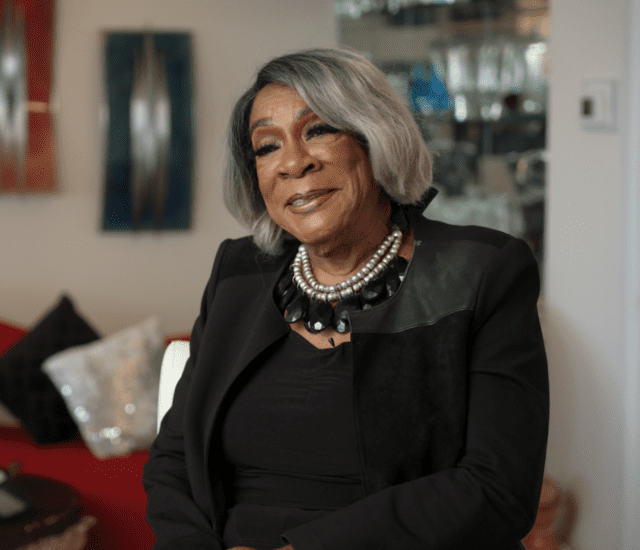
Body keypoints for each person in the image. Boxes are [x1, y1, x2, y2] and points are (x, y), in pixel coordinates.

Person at [143, 46, 549, 550]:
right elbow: (174, 458)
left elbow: (497, 488)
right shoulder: (238, 270)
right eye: (266, 147)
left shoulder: (482, 270)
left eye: (318, 130)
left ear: (375, 138)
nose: (294, 162)